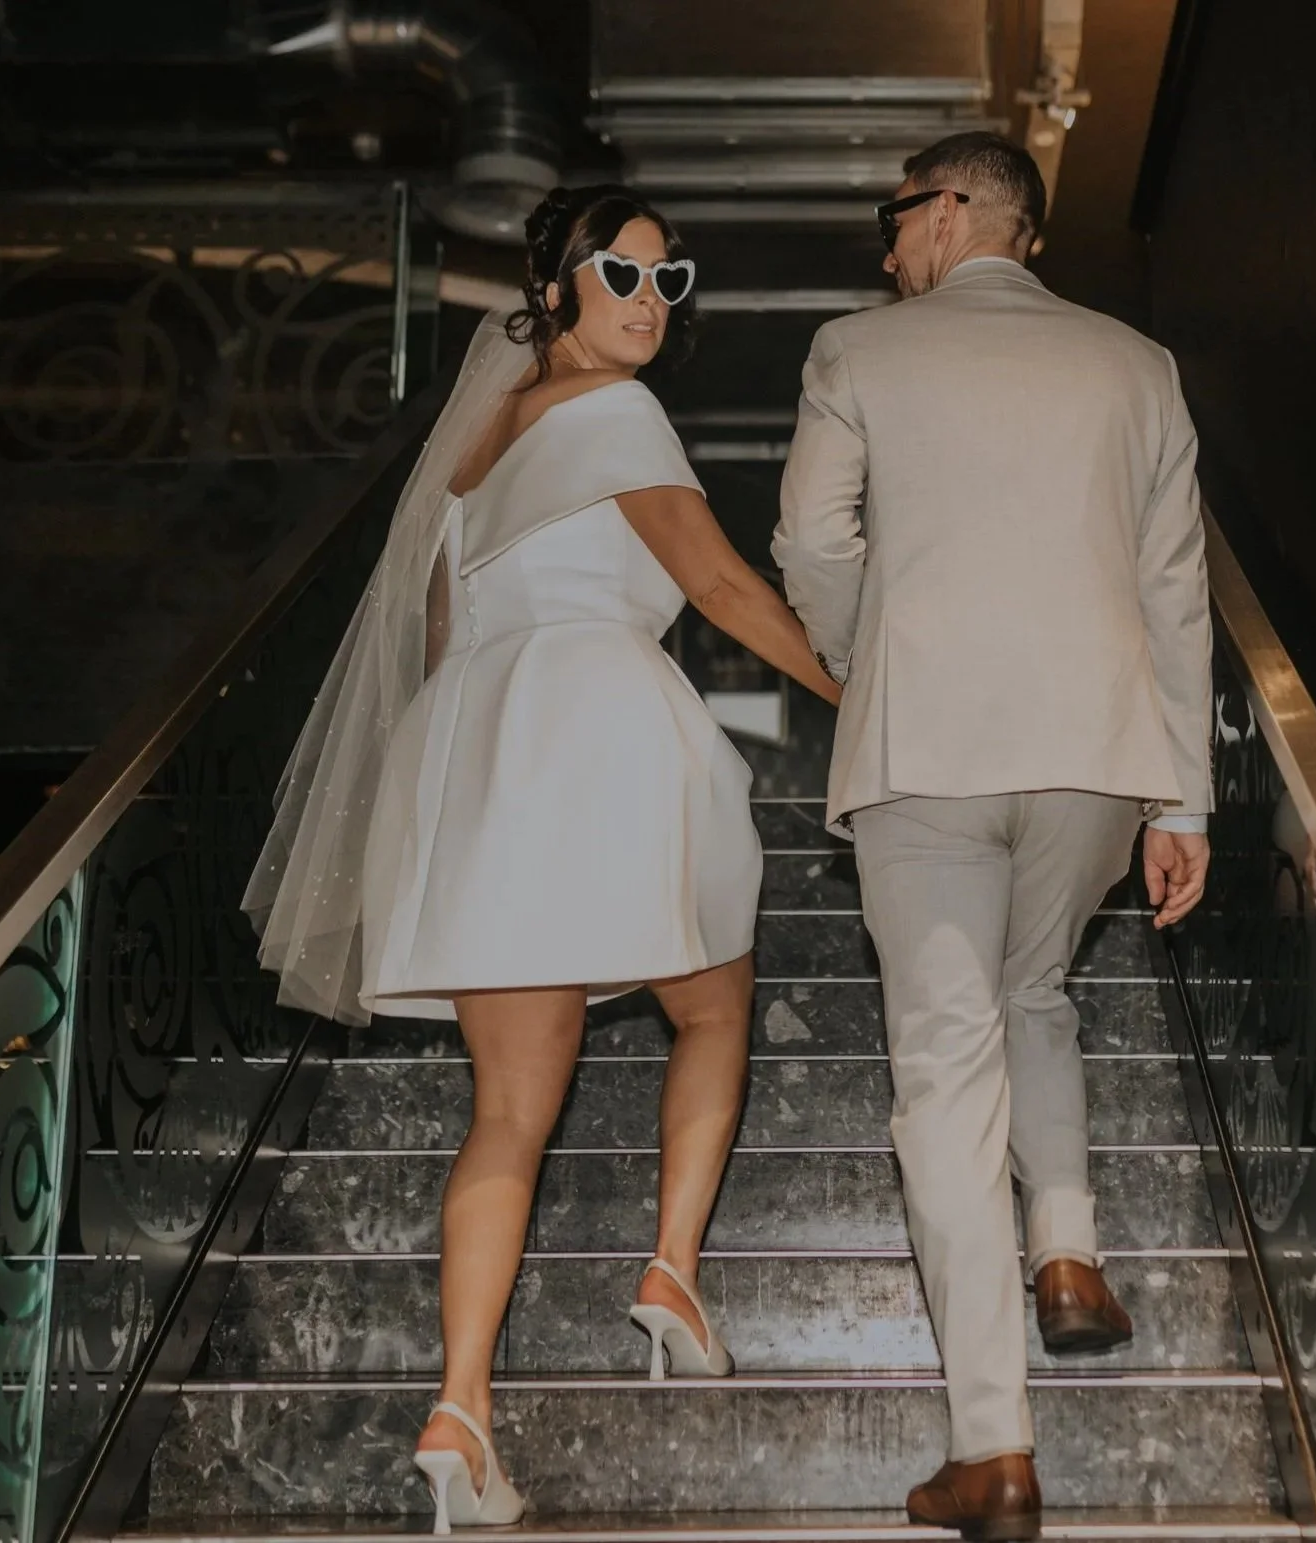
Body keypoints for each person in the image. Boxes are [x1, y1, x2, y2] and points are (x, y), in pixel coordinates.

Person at [245, 185, 841, 1534]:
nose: (647, 300)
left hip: (474, 760)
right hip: (603, 730)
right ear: (558, 284)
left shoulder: (467, 460)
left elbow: (446, 643)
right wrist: (861, 697)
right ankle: (671, 1266)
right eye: (621, 274)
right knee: (714, 1001)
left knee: (507, 1109)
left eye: (664, 280)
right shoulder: (617, 414)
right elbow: (725, 590)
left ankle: (462, 1401)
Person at [773, 131, 1213, 1541]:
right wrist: (1180, 798)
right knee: (1036, 992)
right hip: (1095, 755)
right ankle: (1069, 1254)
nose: (882, 246)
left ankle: (992, 1447)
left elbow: (811, 544)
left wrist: (866, 664)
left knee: (944, 1070)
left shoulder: (857, 350)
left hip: (926, 750)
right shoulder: (1137, 364)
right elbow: (1174, 592)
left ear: (955, 210)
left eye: (895, 217)